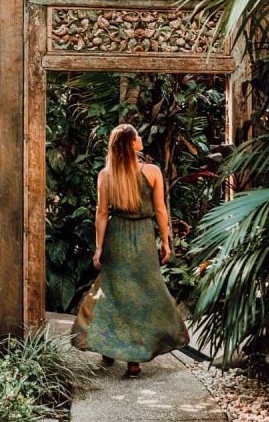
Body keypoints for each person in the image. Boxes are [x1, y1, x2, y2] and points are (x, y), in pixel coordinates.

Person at [71, 123, 189, 378]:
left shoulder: (106, 174)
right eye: (137, 137)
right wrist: (166, 241)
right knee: (145, 294)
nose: (141, 139)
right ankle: (134, 360)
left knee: (113, 293)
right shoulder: (153, 172)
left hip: (117, 237)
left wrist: (99, 247)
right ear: (132, 143)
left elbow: (102, 213)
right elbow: (160, 210)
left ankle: (109, 348)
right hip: (144, 237)